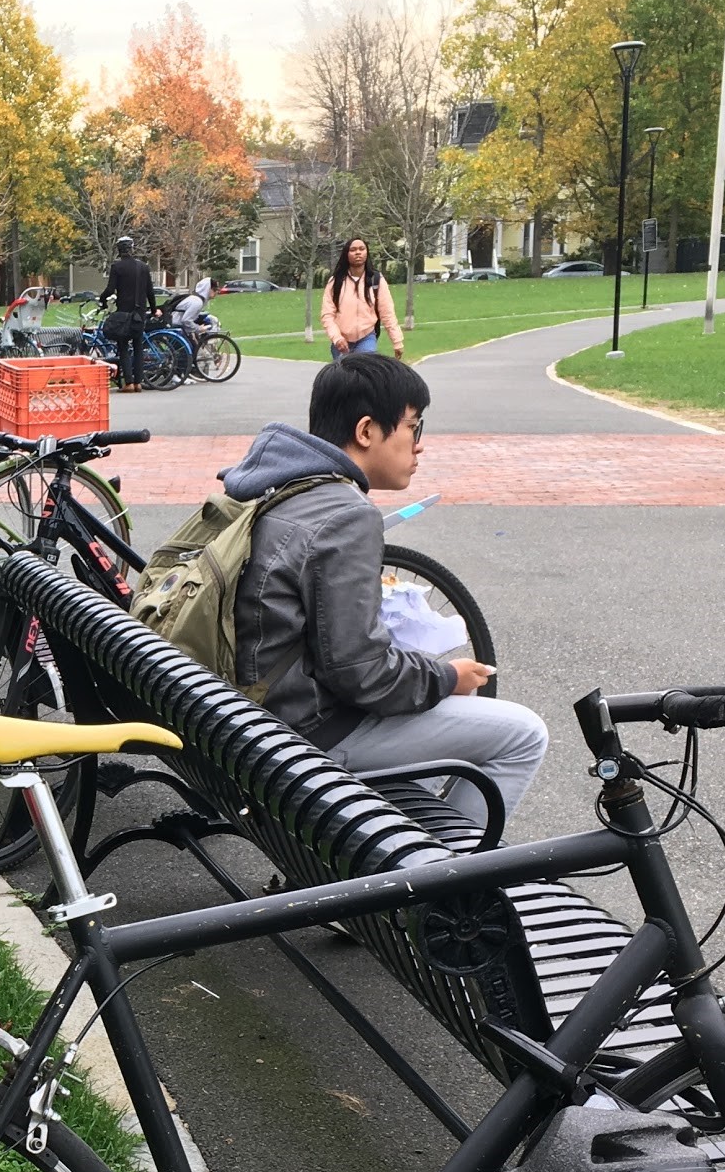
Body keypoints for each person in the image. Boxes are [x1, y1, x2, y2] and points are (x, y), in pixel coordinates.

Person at [223, 351, 547, 818]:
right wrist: (446, 675)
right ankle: (451, 882)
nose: (419, 445)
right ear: (367, 431)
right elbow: (362, 673)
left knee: (441, 709)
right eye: (413, 427)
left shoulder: (278, 485)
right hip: (304, 738)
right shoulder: (346, 513)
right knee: (523, 733)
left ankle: (400, 853)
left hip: (252, 721)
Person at [320, 236, 405, 362]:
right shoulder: (335, 282)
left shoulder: (376, 280)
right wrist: (337, 338)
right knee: (344, 378)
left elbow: (387, 313)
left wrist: (397, 341)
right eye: (353, 250)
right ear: (346, 254)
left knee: (365, 372)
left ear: (367, 253)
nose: (358, 252)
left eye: (362, 249)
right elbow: (327, 315)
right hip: (341, 342)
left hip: (367, 338)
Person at [97, 235, 156, 391]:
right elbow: (150, 291)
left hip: (124, 313)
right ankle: (138, 382)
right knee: (138, 347)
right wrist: (154, 308)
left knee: (123, 346)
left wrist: (102, 300)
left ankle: (128, 382)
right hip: (139, 313)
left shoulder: (117, 267)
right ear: (132, 249)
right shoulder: (143, 267)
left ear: (119, 250)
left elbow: (110, 289)